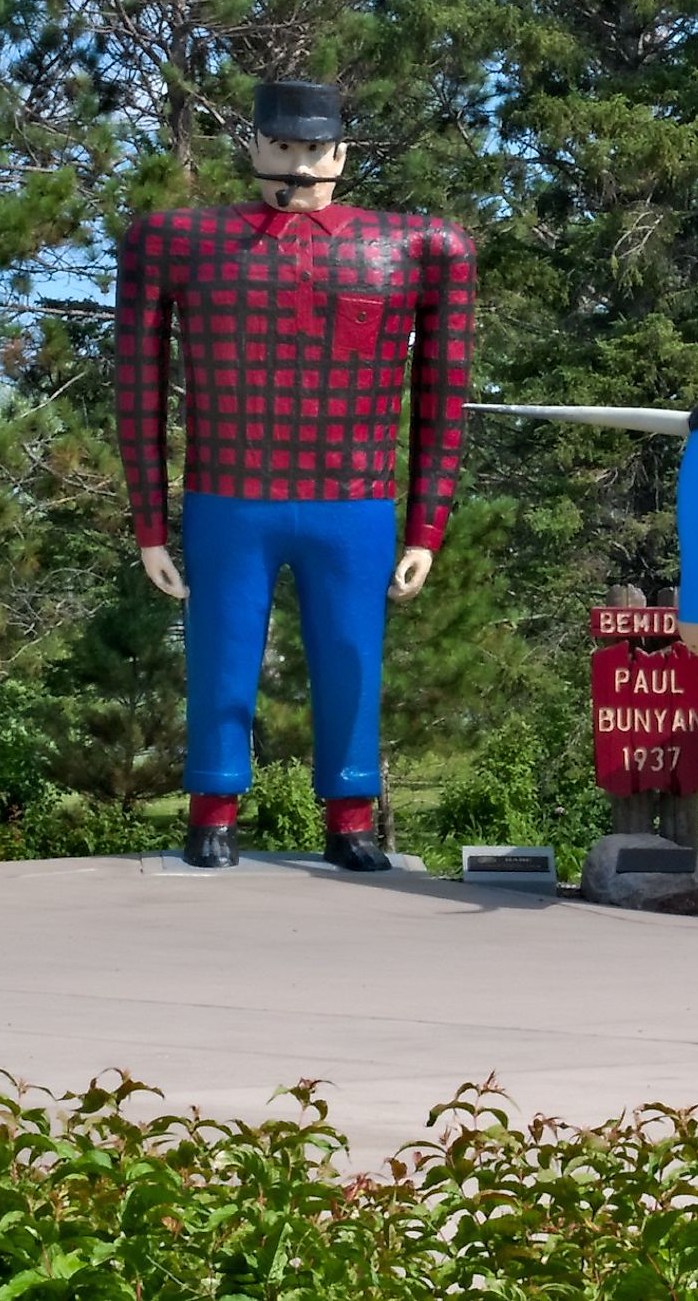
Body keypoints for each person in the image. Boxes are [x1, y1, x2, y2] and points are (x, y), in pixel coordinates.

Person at [116, 78, 477, 872]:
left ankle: (349, 813)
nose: (298, 167)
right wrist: (149, 521)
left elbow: (444, 396)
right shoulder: (178, 242)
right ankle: (213, 807)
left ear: (342, 154)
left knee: (352, 653)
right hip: (230, 491)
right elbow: (136, 383)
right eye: (283, 147)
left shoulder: (417, 249)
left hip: (352, 496)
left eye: (315, 150)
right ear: (253, 148)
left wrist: (426, 525)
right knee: (221, 646)